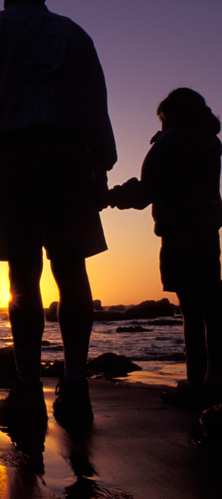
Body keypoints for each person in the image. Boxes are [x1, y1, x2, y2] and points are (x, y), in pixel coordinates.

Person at [0, 0, 117, 426]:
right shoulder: (73, 34)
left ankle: (26, 386)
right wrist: (100, 165)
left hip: (14, 156)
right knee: (72, 271)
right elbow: (95, 103)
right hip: (69, 158)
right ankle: (76, 383)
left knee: (22, 277)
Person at [107, 88, 222, 408]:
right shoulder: (212, 144)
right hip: (209, 235)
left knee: (191, 312)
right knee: (213, 310)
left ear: (169, 116)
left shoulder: (168, 144)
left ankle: (196, 382)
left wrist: (112, 196)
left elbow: (145, 193)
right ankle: (216, 379)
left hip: (177, 236)